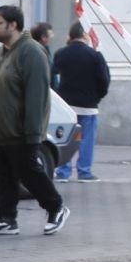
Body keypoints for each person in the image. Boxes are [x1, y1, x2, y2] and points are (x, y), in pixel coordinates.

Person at [0, 3, 68, 236]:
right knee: (3, 177)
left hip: (17, 131)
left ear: (13, 24)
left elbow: (37, 96)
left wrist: (32, 133)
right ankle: (6, 219)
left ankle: (56, 207)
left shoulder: (32, 52)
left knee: (29, 173)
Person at [50, 21, 111, 182]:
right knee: (87, 140)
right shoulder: (95, 55)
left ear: (71, 35)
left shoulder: (61, 54)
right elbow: (104, 80)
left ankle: (63, 171)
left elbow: (52, 76)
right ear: (85, 35)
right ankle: (84, 171)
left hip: (66, 105)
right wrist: (98, 97)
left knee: (66, 138)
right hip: (88, 105)